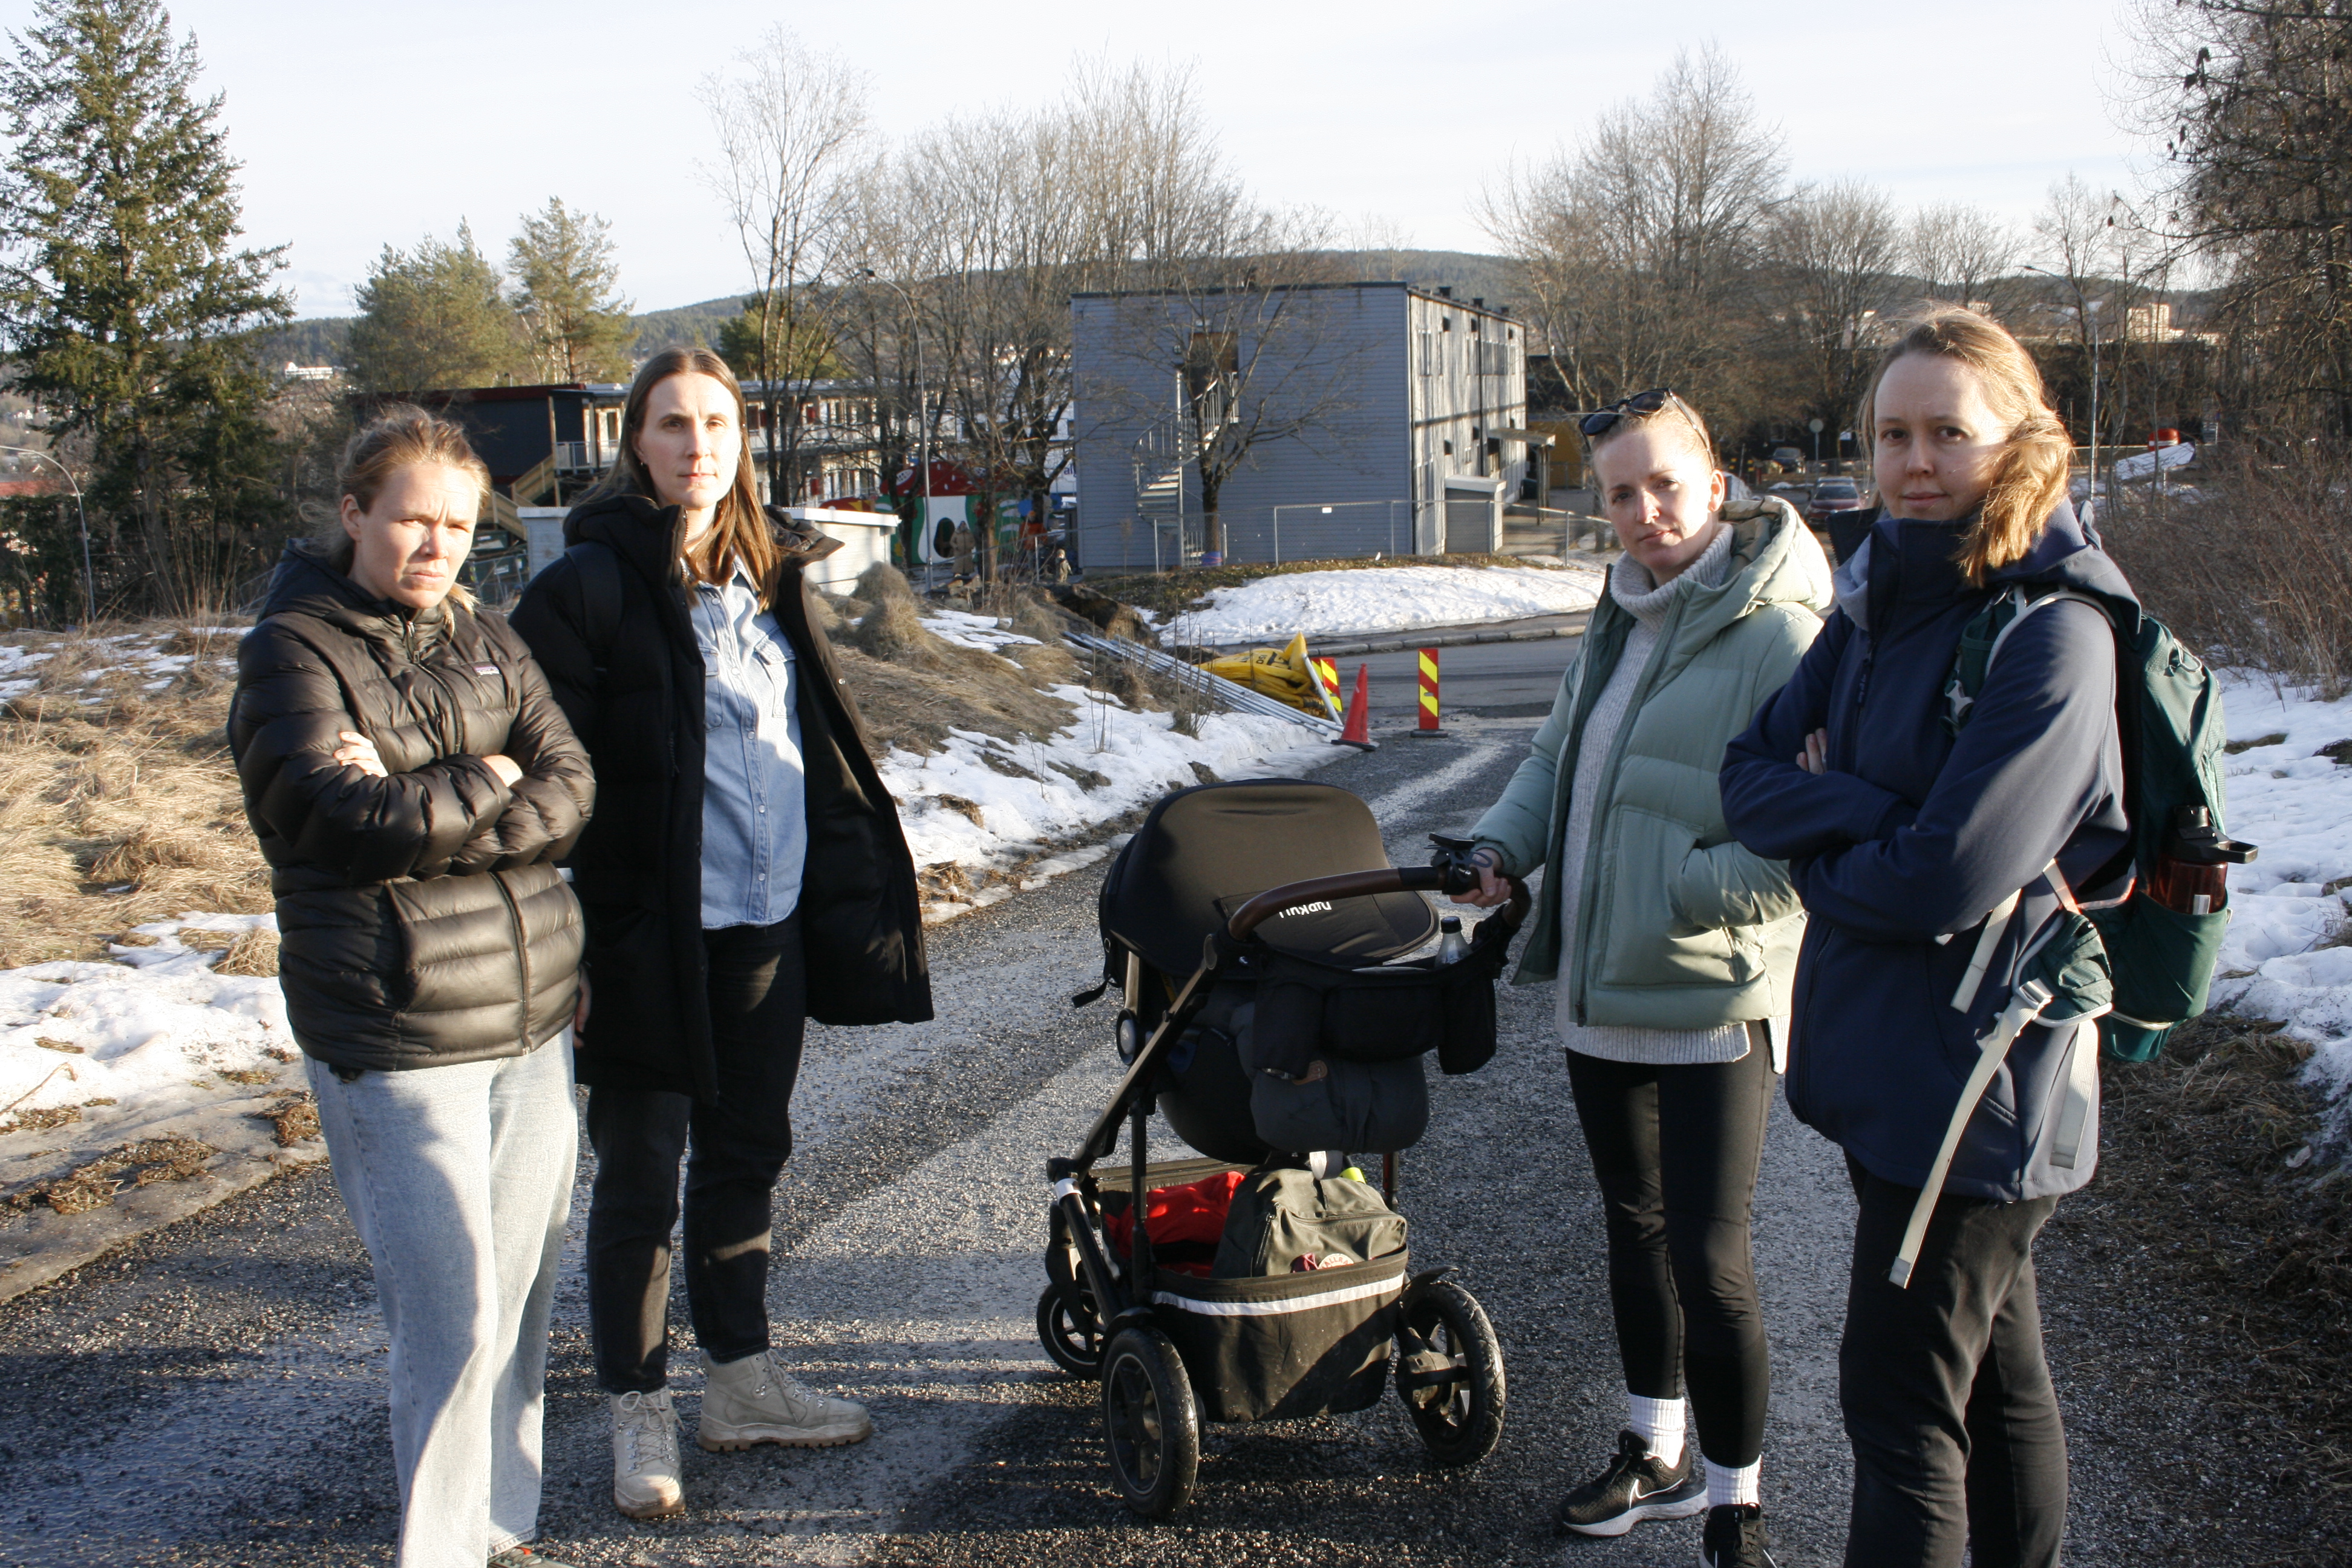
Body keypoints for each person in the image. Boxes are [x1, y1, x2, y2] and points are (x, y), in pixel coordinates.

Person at [1719, 306, 2132, 1568]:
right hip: (1900, 1072)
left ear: (2017, 440)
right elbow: (1747, 775)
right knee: (1996, 1383)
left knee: (1898, 1407)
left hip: (1979, 1083)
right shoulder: (1875, 603)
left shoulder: (2052, 633)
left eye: (1949, 431)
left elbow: (1946, 878)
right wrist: (1875, 816)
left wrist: (1838, 840)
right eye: (1892, 432)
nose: (1913, 461)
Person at [509, 348, 932, 1522]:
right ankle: (639, 1409)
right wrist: (573, 942)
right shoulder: (587, 589)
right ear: (634, 444)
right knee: (641, 1177)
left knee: (748, 1154)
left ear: (743, 443)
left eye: (718, 423)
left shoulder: (771, 579)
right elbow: (542, 782)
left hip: (768, 925)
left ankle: (739, 1381)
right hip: (647, 938)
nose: (698, 444)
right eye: (672, 424)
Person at [1454, 389, 1829, 1568]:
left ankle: (1735, 1501)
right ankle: (1652, 1448)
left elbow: (1811, 834)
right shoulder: (1621, 615)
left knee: (1712, 1261)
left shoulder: (1785, 632)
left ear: (1718, 486)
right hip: (1599, 988)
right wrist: (1501, 853)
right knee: (1633, 1228)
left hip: (1713, 994)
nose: (1644, 510)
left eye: (1666, 483)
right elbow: (1558, 757)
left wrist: (1683, 895)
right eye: (1621, 491)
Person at [230, 408, 594, 1568]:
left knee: (526, 1294)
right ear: (354, 514)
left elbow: (575, 779)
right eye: (410, 520)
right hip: (397, 1028)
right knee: (450, 1317)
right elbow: (349, 822)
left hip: (532, 1019)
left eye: (455, 523)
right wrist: (493, 773)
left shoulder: (486, 634)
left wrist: (451, 797)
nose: (434, 545)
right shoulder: (294, 651)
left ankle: (501, 1527)